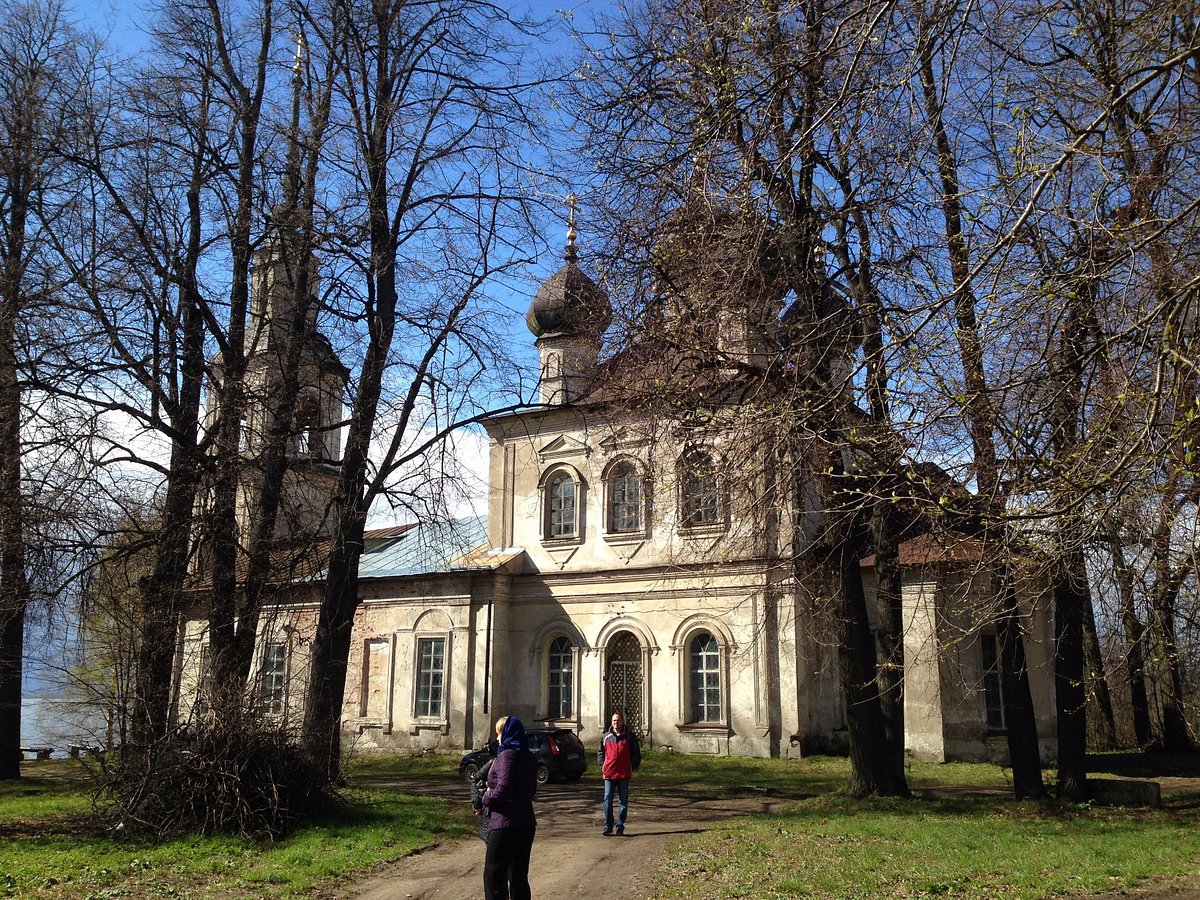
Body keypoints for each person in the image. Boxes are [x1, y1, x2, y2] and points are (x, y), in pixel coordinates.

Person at [480, 715, 538, 900]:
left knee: (494, 875)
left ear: (506, 734)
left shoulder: (507, 755)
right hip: (526, 822)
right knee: (519, 875)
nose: (497, 738)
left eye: (499, 733)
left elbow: (503, 789)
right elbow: (530, 789)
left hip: (505, 824)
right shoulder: (528, 756)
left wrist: (486, 797)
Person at [597, 711, 641, 836]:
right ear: (612, 723)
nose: (616, 723)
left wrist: (633, 766)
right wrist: (602, 765)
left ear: (622, 722)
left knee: (623, 801)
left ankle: (620, 826)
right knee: (607, 799)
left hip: (623, 773)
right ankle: (608, 826)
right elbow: (600, 752)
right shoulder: (606, 737)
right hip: (609, 774)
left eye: (618, 720)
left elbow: (635, 753)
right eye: (614, 721)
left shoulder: (629, 737)